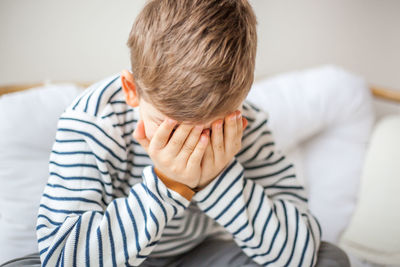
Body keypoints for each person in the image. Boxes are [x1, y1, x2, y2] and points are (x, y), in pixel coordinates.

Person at [28, 0, 350, 266]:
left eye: (211, 129)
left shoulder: (245, 123)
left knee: (328, 259)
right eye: (171, 128)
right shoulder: (94, 122)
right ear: (131, 91)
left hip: (198, 255)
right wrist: (170, 184)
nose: (192, 147)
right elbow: (61, 257)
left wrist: (216, 178)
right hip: (116, 258)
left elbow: (301, 250)